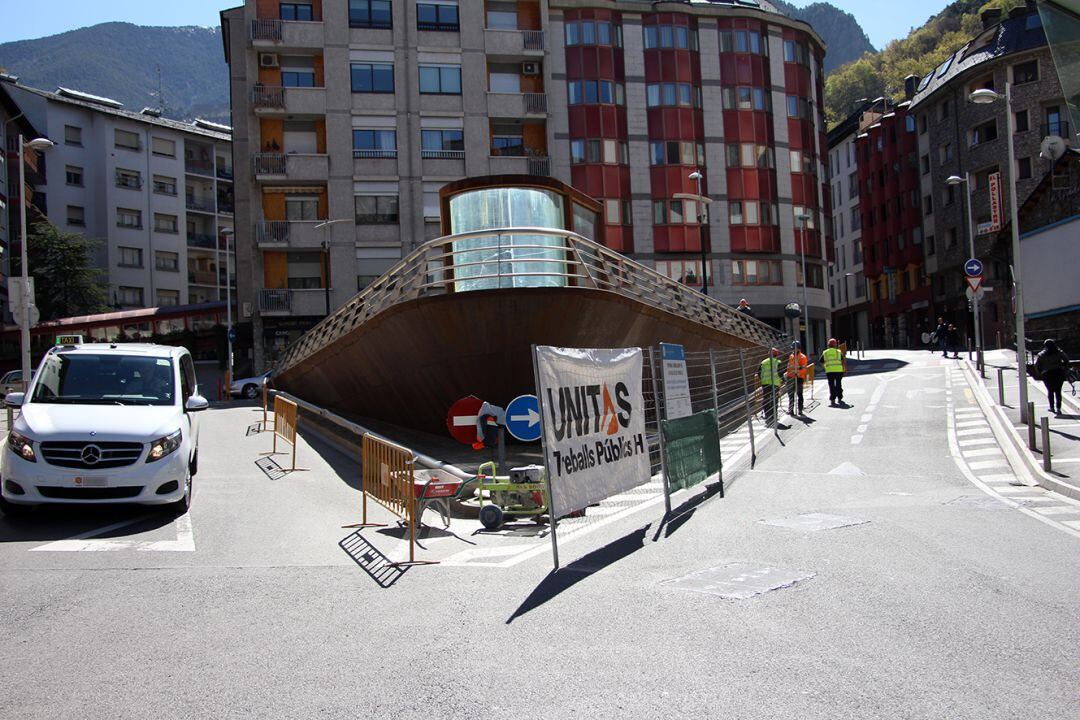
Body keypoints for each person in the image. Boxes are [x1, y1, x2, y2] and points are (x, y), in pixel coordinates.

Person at [1035, 339, 1071, 414]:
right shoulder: (1059, 352)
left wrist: (1039, 373)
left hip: (1047, 374)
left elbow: (1037, 365)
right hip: (1058, 372)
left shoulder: (1041, 354)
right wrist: (1064, 368)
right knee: (1058, 391)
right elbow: (1066, 360)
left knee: (1050, 391)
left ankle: (1052, 407)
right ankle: (1058, 408)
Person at [759, 348, 783, 426]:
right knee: (774, 400)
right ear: (776, 355)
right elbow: (780, 373)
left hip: (765, 383)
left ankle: (767, 415)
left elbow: (759, 373)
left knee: (766, 399)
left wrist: (762, 379)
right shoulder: (778, 362)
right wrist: (783, 380)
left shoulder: (763, 362)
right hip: (775, 384)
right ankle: (773, 416)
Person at [821, 338, 846, 406]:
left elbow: (821, 361)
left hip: (829, 371)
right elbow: (843, 361)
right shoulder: (838, 352)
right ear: (835, 345)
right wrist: (844, 369)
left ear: (828, 345)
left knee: (831, 385)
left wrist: (825, 367)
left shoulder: (825, 352)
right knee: (838, 384)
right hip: (838, 370)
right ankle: (839, 397)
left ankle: (832, 399)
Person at [786, 340, 809, 415]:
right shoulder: (791, 356)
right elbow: (789, 366)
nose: (793, 350)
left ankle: (800, 409)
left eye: (794, 348)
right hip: (790, 377)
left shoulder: (803, 357)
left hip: (798, 378)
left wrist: (798, 373)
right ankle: (791, 409)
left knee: (799, 394)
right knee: (791, 394)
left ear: (799, 348)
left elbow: (804, 368)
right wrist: (787, 374)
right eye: (792, 348)